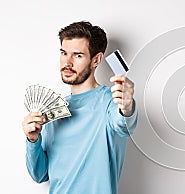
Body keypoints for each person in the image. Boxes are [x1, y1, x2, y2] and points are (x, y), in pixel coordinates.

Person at [21, 21, 137, 193]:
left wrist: (128, 107)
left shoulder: (110, 101)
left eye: (77, 55)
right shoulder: (54, 109)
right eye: (64, 53)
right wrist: (32, 140)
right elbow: (40, 175)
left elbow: (123, 124)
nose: (67, 62)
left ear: (96, 59)